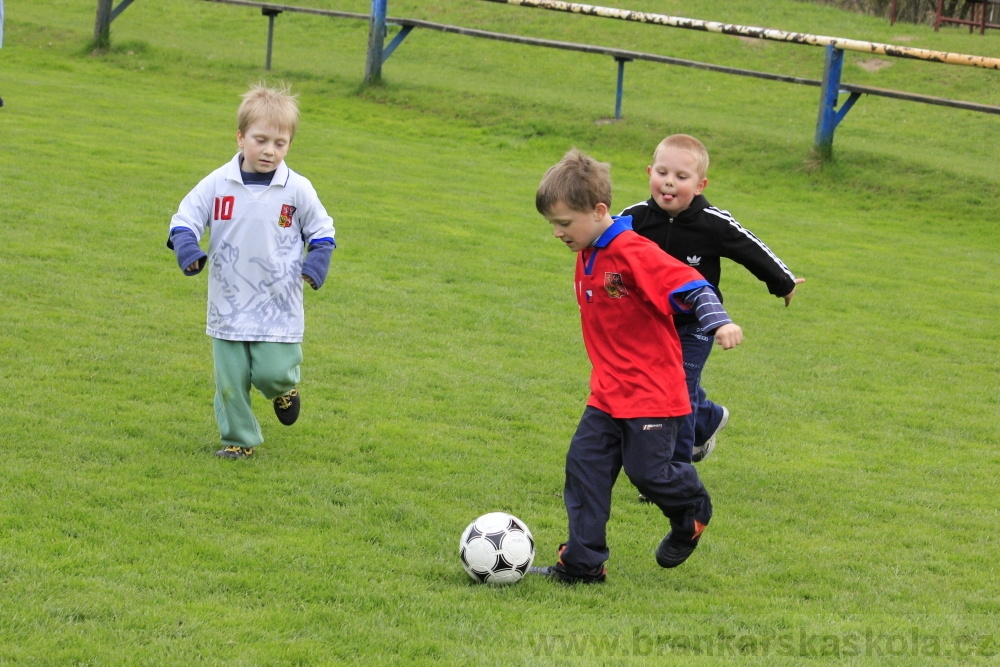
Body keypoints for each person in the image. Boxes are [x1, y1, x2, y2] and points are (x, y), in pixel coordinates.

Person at [529, 149, 743, 584]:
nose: (557, 233)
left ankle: (692, 509)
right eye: (553, 224)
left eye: (565, 223)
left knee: (651, 475)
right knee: (584, 469)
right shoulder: (590, 247)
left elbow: (692, 286)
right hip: (608, 393)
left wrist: (719, 322)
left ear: (599, 211)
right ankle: (583, 564)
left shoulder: (633, 251)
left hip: (654, 395)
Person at [167, 83, 336, 459]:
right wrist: (188, 248)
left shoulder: (298, 189)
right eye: (261, 140)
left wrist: (316, 262)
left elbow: (323, 231)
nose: (270, 150)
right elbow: (185, 219)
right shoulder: (217, 184)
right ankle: (239, 441)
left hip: (279, 303)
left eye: (281, 143)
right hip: (227, 303)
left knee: (271, 373)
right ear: (241, 138)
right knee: (230, 382)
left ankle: (283, 389)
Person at [620, 134, 803, 466]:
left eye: (681, 177)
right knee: (653, 386)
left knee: (678, 394)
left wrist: (784, 282)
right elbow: (605, 250)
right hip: (650, 325)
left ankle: (671, 474)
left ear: (700, 185)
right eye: (662, 173)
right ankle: (708, 418)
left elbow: (751, 249)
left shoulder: (713, 223)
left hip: (696, 325)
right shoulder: (633, 220)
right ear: (649, 172)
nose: (669, 183)